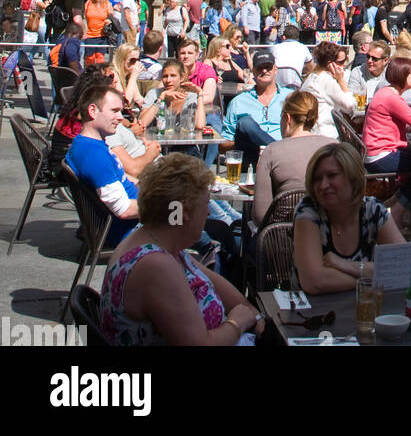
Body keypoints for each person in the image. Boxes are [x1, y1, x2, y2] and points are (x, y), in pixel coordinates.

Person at [98, 153, 264, 345]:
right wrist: (238, 322)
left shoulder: (163, 243)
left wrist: (253, 315)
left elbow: (228, 293)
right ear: (182, 212)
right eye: (205, 203)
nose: (208, 212)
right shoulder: (155, 266)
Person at [292, 143, 405, 293]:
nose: (323, 185)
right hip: (313, 312)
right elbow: (314, 281)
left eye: (332, 176)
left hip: (366, 308)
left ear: (352, 177)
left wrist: (346, 266)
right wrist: (372, 277)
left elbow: (405, 267)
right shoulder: (308, 211)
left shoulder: (372, 210)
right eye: (317, 179)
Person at [64, 81, 139, 244]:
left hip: (133, 219)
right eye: (115, 111)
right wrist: (163, 204)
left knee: (196, 201)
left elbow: (122, 178)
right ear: (92, 111)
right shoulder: (93, 155)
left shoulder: (90, 144)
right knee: (186, 211)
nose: (121, 117)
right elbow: (123, 210)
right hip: (128, 231)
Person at [361, 55, 411, 221]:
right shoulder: (392, 98)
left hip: (376, 152)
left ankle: (394, 203)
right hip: (381, 156)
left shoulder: (387, 93)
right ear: (403, 75)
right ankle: (399, 209)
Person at [252, 90, 334, 227]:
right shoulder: (334, 147)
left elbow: (260, 216)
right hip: (327, 238)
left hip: (280, 240)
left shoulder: (272, 151)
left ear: (287, 118)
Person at [222, 50, 292, 169]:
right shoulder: (238, 102)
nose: (264, 71)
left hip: (287, 155)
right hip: (252, 157)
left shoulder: (291, 97)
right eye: (260, 68)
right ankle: (275, 150)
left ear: (275, 69)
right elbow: (224, 144)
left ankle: (275, 150)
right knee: (245, 123)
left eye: (268, 67)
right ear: (253, 71)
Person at [303, 40, 358, 136]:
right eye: (340, 62)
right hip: (326, 133)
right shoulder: (326, 80)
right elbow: (350, 106)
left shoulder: (311, 77)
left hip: (313, 131)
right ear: (330, 63)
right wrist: (341, 81)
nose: (344, 65)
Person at [139, 59, 207, 137]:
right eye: (165, 76)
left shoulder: (190, 96)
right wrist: (160, 99)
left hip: (184, 143)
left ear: (181, 77)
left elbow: (200, 125)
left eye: (173, 76)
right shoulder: (154, 94)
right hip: (156, 142)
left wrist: (200, 94)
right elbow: (142, 123)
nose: (168, 80)